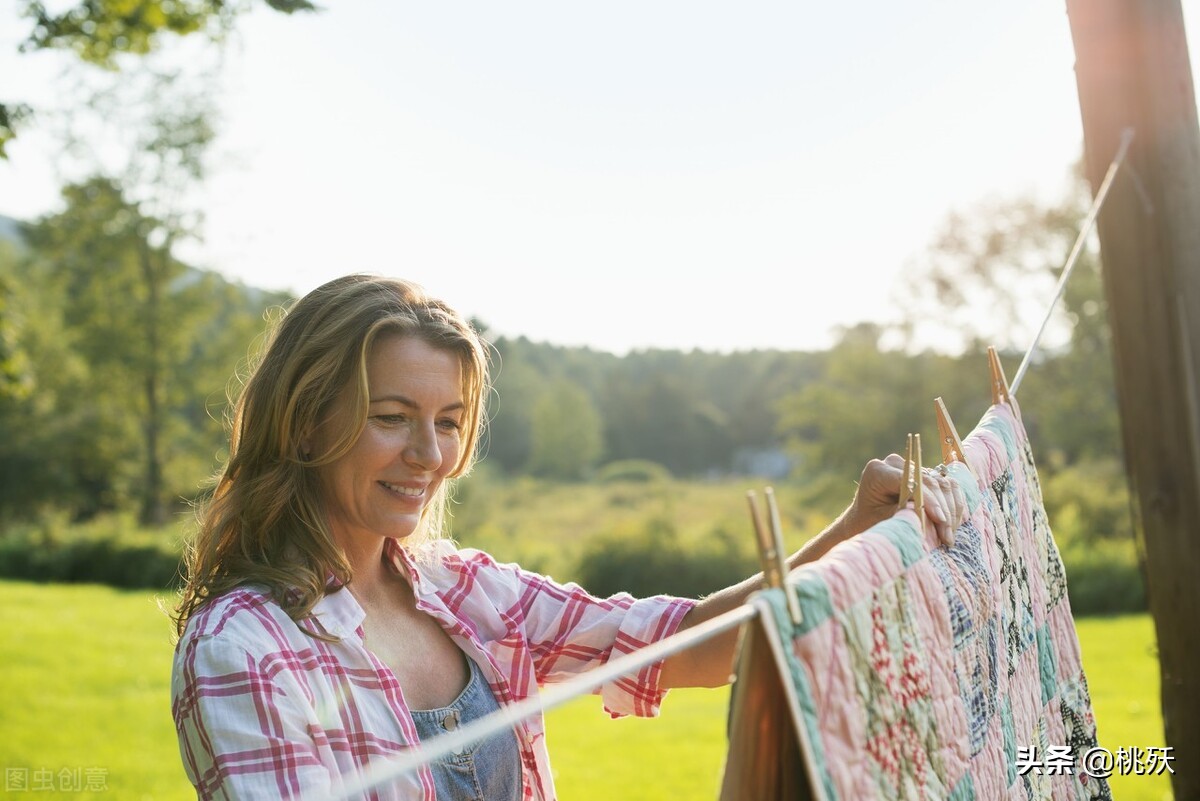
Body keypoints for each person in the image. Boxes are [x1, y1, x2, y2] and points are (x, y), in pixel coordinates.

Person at [170, 274, 966, 801]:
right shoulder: (242, 644)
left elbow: (686, 643)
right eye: (391, 417)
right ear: (307, 419)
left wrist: (860, 523)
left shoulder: (468, 593)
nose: (429, 455)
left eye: (449, 423)